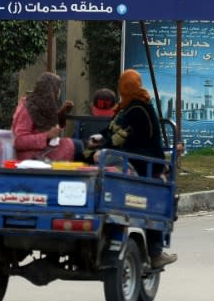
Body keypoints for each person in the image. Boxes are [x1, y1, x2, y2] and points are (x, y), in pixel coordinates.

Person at [86, 69, 177, 268]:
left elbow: (126, 137)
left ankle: (155, 253)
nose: (120, 87)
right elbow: (112, 129)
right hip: (129, 156)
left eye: (122, 84)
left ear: (126, 87)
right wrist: (101, 138)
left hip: (144, 160)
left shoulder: (139, 109)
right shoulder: (126, 107)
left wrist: (105, 146)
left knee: (151, 202)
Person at [11, 72, 82, 162]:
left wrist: (62, 114)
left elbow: (46, 124)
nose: (59, 92)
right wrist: (47, 136)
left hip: (42, 150)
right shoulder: (27, 108)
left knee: (76, 144)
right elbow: (19, 141)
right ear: (52, 90)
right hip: (31, 156)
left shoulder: (41, 105)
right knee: (76, 145)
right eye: (58, 88)